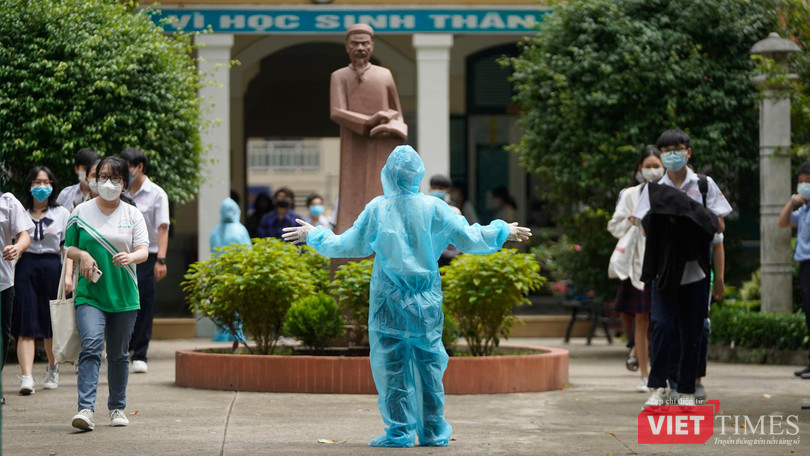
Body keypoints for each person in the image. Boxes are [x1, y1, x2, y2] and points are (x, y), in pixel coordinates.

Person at [283, 145, 531, 447]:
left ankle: (399, 431)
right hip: (425, 302)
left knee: (392, 369)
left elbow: (349, 244)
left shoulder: (378, 208)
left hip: (389, 302)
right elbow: (469, 237)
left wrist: (315, 235)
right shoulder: (435, 208)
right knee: (429, 368)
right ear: (418, 175)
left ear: (388, 173)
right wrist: (502, 231)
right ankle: (432, 431)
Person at [633, 129, 731, 408]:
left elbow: (719, 225)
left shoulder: (703, 184)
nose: (672, 155)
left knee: (693, 331)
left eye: (677, 149)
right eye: (666, 150)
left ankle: (687, 390)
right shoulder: (653, 189)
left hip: (696, 271)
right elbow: (643, 227)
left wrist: (684, 212)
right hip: (664, 270)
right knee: (662, 326)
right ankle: (658, 387)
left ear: (688, 152)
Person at [65, 156, 149, 431]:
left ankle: (117, 408)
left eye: (115, 179)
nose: (108, 183)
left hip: (124, 295)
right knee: (90, 345)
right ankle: (85, 410)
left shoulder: (132, 214)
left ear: (124, 183)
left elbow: (144, 250)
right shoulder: (80, 211)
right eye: (103, 177)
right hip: (90, 294)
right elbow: (69, 248)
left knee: (118, 354)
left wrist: (132, 257)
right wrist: (84, 256)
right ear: (95, 179)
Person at [330, 24, 407, 234]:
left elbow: (397, 113)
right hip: (352, 142)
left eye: (365, 43)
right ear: (347, 47)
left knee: (380, 185)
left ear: (372, 46)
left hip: (381, 144)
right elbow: (336, 111)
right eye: (355, 44)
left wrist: (391, 126)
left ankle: (382, 228)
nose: (360, 48)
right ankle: (350, 230)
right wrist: (369, 121)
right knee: (352, 185)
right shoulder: (339, 76)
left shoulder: (384, 75)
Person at [607, 146, 663, 393]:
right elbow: (614, 227)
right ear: (639, 169)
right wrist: (633, 217)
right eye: (647, 165)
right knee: (641, 320)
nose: (652, 170)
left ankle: (665, 374)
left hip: (665, 263)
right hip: (638, 265)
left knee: (663, 322)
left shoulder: (671, 192)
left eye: (656, 165)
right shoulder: (629, 195)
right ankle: (645, 375)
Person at [13, 166, 70, 395]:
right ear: (29, 185)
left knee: (51, 324)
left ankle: (52, 369)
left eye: (46, 182)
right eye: (37, 182)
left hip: (52, 267)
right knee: (26, 323)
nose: (42, 187)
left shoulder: (62, 213)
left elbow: (67, 248)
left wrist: (67, 277)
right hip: (26, 267)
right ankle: (27, 377)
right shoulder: (20, 212)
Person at [121, 147, 170, 374]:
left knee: (144, 303)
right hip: (122, 255)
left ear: (139, 167)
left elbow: (162, 228)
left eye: (127, 166)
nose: (124, 171)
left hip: (148, 256)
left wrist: (161, 259)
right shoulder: (119, 191)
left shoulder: (156, 194)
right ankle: (124, 347)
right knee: (121, 301)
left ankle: (140, 353)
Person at [778, 161, 810, 380]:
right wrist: (792, 201)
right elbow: (783, 222)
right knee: (809, 316)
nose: (803, 186)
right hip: (804, 266)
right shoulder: (804, 210)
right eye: (800, 182)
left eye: (807, 182)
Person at [0, 192, 33, 405]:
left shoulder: (7, 201)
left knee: (2, 334)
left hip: (2, 281)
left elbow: (24, 235)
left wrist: (17, 247)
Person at [210, 197, 250, 342]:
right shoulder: (241, 230)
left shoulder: (215, 231)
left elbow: (212, 255)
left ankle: (222, 334)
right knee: (237, 306)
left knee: (221, 305)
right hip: (237, 275)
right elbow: (248, 254)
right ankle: (237, 334)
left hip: (220, 274)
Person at [428, 175, 462, 268]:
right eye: (434, 187)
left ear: (448, 190)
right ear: (430, 189)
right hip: (430, 257)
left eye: (440, 188)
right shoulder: (425, 209)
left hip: (450, 257)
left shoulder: (453, 211)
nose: (437, 190)